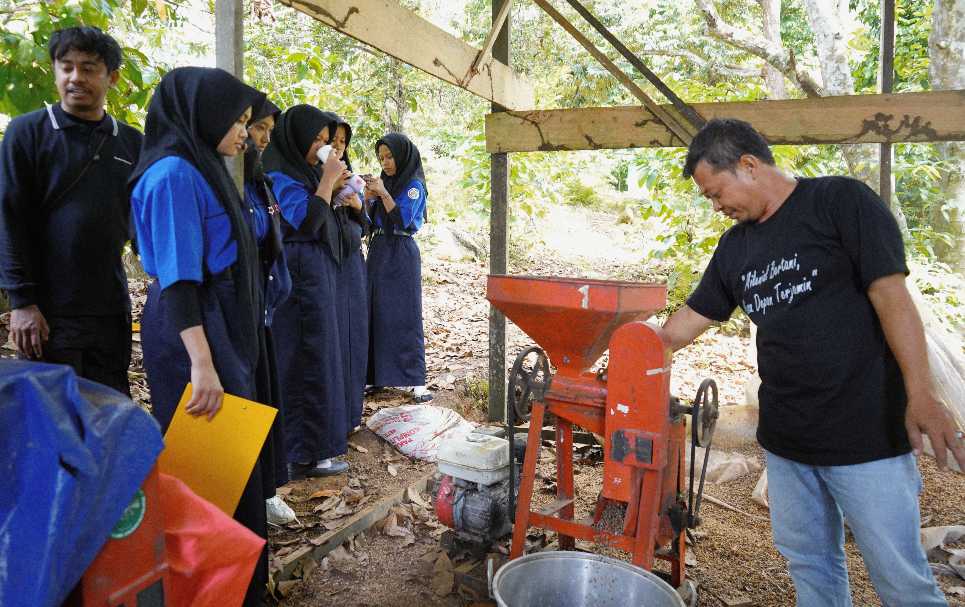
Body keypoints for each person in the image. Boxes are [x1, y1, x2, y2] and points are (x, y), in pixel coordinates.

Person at [662, 118, 963, 606]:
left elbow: (891, 296)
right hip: (787, 443)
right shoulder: (736, 247)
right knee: (810, 566)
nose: (717, 208)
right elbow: (691, 319)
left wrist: (922, 393)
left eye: (716, 193)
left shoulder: (840, 203)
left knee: (899, 576)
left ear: (748, 164)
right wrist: (631, 347)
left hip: (866, 438)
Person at [128, 66, 271, 606]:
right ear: (201, 116)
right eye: (236, 121)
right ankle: (213, 590)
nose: (243, 132)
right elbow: (181, 279)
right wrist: (203, 364)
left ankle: (242, 585)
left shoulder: (203, 166)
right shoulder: (171, 176)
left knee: (232, 460)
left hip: (218, 322)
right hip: (194, 329)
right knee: (209, 469)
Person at [0, 26, 142, 395]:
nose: (75, 77)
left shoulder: (130, 141)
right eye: (66, 67)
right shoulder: (27, 132)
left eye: (89, 68)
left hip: (110, 309)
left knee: (107, 413)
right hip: (46, 314)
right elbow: (9, 218)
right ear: (55, 71)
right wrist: (23, 302)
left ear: (111, 77)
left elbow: (143, 222)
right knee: (51, 421)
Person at [261, 105, 351, 479]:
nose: (322, 147)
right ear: (296, 138)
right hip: (299, 273)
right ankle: (304, 452)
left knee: (320, 354)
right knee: (305, 359)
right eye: (316, 139)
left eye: (325, 141)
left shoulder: (307, 172)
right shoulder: (280, 175)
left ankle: (317, 448)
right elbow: (306, 220)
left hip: (315, 272)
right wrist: (327, 183)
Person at [244, 97, 296, 525]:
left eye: (261, 128)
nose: (255, 136)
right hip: (225, 315)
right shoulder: (183, 177)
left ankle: (263, 492)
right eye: (250, 125)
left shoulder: (255, 178)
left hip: (260, 308)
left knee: (262, 400)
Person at [364, 133, 431, 403]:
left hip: (402, 252)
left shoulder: (413, 185)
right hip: (379, 250)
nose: (386, 162)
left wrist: (383, 193)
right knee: (376, 312)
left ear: (402, 155)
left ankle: (416, 381)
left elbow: (403, 220)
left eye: (390, 156)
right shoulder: (385, 183)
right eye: (381, 158)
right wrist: (368, 197)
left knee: (406, 314)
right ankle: (376, 376)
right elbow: (369, 222)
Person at [329, 115, 369, 432]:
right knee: (335, 340)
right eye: (332, 140)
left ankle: (352, 414)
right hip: (329, 268)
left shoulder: (349, 177)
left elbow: (365, 226)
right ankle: (337, 417)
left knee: (354, 336)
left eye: (343, 141)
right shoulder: (311, 179)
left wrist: (357, 206)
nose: (338, 147)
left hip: (353, 264)